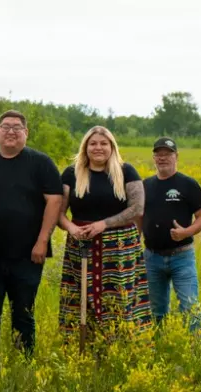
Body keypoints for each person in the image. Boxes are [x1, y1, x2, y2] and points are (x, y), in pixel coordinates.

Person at [0, 110, 63, 350]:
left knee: (23, 312)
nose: (11, 131)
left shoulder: (40, 163)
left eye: (17, 127)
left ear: (26, 133)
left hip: (28, 254)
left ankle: (22, 360)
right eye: (5, 126)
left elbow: (54, 201)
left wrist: (43, 241)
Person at [57, 126, 151, 343]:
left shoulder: (126, 171)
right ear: (85, 147)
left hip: (120, 247)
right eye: (93, 144)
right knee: (81, 296)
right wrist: (71, 228)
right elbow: (59, 213)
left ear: (111, 147)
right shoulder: (71, 173)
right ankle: (81, 345)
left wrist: (104, 224)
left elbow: (137, 208)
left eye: (103, 143)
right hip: (81, 243)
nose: (98, 148)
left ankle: (119, 344)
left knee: (119, 296)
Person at [143, 137, 201, 332]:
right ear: (154, 157)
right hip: (152, 257)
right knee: (156, 310)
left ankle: (193, 353)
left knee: (190, 307)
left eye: (168, 154)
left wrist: (185, 232)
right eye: (158, 154)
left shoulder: (188, 184)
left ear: (176, 156)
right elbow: (138, 218)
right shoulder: (145, 185)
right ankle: (157, 350)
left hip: (182, 256)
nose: (163, 158)